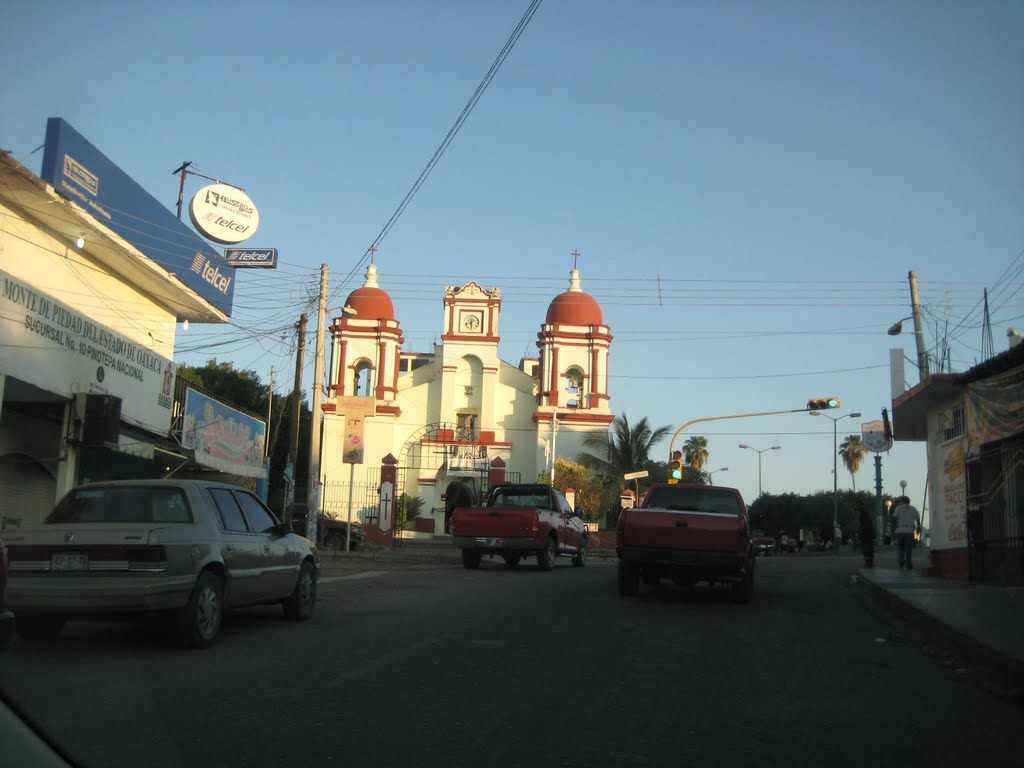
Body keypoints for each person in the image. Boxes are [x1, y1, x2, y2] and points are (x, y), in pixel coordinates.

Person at [892, 496, 921, 570]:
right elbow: (917, 519)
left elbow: (894, 518)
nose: (899, 502)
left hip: (900, 530)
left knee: (900, 547)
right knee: (908, 549)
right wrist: (918, 528)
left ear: (903, 501)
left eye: (900, 501)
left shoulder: (898, 508)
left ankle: (901, 562)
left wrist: (894, 528)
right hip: (910, 531)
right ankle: (908, 564)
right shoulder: (913, 509)